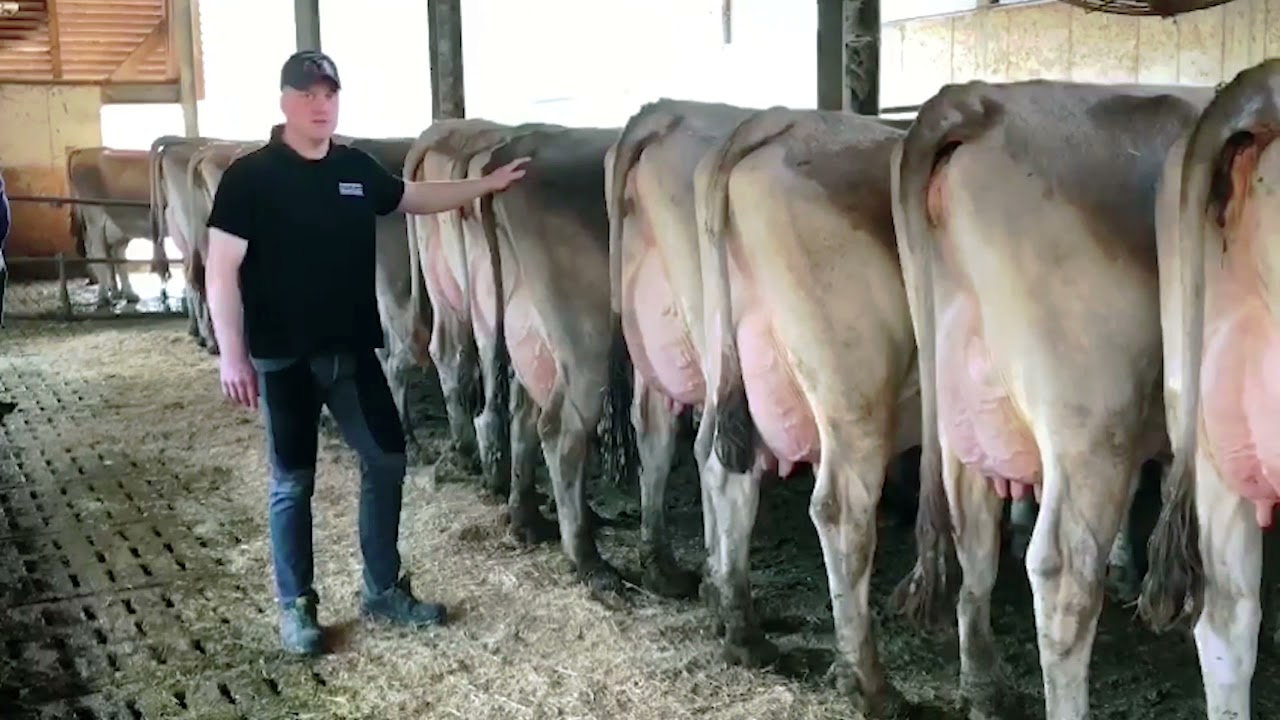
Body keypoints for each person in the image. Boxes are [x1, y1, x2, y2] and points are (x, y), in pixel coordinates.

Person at [204, 50, 529, 657]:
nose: (319, 104)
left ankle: (382, 587)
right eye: (307, 94)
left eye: (328, 93)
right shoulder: (249, 177)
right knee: (292, 483)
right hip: (284, 359)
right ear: (284, 101)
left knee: (385, 461)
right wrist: (232, 355)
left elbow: (411, 197)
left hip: (351, 351)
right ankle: (297, 606)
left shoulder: (353, 168)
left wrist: (484, 184)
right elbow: (221, 270)